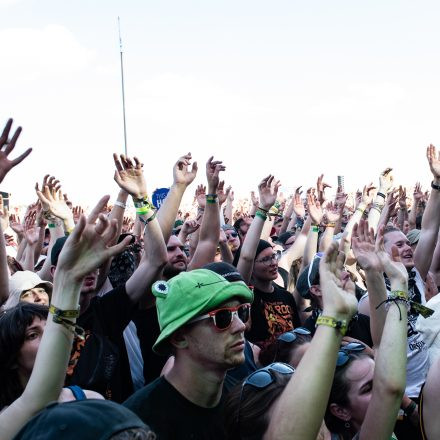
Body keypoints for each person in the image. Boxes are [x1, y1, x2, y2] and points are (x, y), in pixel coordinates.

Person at [124, 268, 253, 439]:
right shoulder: (137, 424)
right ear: (179, 338)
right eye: (223, 317)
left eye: (242, 312)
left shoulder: (243, 400)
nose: (241, 326)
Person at [296, 254, 373, 347]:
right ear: (317, 290)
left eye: (343, 268)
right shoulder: (307, 336)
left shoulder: (365, 322)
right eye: (335, 273)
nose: (347, 274)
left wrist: (369, 352)